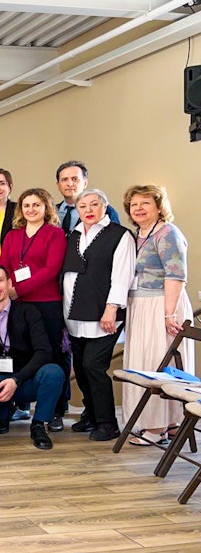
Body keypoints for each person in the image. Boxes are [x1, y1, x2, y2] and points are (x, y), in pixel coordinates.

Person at [121, 184, 194, 445]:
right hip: (141, 306)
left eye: (145, 203)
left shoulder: (168, 233)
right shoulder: (138, 234)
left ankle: (157, 427)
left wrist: (168, 314)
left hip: (162, 306)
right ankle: (170, 425)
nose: (138, 208)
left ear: (159, 207)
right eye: (134, 204)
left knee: (157, 365)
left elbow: (176, 275)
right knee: (145, 364)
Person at [62, 189, 135, 442]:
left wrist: (112, 308)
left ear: (105, 207)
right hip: (74, 316)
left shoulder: (120, 235)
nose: (89, 209)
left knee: (94, 366)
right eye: (83, 206)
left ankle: (107, 422)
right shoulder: (73, 235)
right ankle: (91, 415)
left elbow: (122, 276)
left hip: (104, 315)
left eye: (94, 204)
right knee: (81, 368)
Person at [0, 265, 64, 450]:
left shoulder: (29, 312)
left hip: (25, 378)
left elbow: (43, 351)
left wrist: (16, 379)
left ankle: (38, 425)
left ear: (9, 283)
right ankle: (3, 413)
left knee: (53, 372)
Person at [0, 188, 69, 431]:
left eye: (36, 205)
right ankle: (21, 404)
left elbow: (51, 270)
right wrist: (8, 288)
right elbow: (4, 265)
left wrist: (19, 289)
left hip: (46, 303)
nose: (31, 209)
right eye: (26, 205)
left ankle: (56, 410)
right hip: (17, 304)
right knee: (20, 353)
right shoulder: (12, 236)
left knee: (52, 355)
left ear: (46, 208)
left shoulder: (55, 234)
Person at [55, 160, 120, 234]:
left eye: (75, 179)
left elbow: (115, 237)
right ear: (58, 185)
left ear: (85, 183)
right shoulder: (50, 212)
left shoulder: (105, 211)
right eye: (64, 180)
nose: (70, 184)